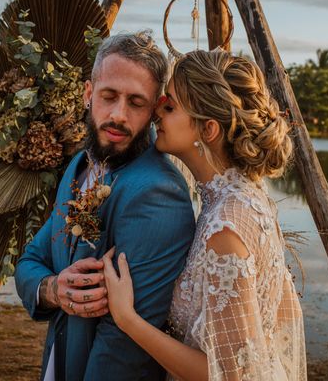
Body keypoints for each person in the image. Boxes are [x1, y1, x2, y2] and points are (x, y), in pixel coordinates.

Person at [102, 50, 306, 380]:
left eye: (170, 107)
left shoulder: (224, 227)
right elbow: (281, 314)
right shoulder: (249, 198)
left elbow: (228, 375)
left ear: (207, 130)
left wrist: (127, 318)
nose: (157, 115)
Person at [15, 32, 196, 381]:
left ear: (155, 107)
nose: (119, 115)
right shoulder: (80, 165)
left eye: (136, 103)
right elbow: (30, 261)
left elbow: (124, 345)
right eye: (108, 96)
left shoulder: (158, 193)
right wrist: (54, 289)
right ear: (88, 93)